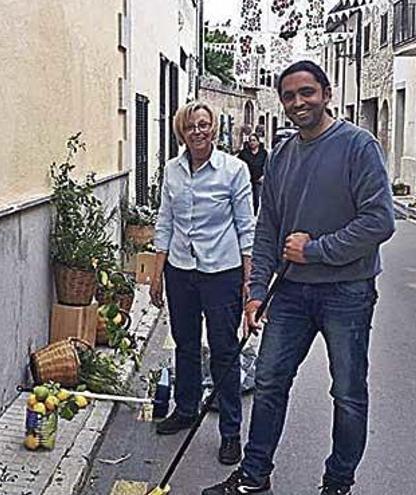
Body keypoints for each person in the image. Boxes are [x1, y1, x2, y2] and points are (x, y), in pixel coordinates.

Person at [203, 61, 395, 495]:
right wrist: (255, 296)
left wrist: (315, 250)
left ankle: (337, 484)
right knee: (269, 384)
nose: (297, 103)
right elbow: (268, 226)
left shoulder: (357, 146)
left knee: (347, 394)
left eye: (306, 92)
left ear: (326, 93)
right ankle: (254, 479)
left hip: (347, 292)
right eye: (289, 96)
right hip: (289, 294)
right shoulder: (284, 153)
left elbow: (380, 221)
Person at [150, 101, 256, 466]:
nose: (198, 132)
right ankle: (186, 409)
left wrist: (249, 279)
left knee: (225, 350)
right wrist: (156, 274)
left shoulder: (234, 170)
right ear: (182, 131)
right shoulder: (172, 171)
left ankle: (230, 432)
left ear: (213, 130)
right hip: (180, 270)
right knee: (186, 344)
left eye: (204, 125)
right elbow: (165, 220)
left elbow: (247, 226)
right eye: (191, 126)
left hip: (221, 272)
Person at [237, 133, 269, 214]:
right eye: (250, 141)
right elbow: (238, 165)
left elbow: (267, 165)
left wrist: (264, 175)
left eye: (254, 140)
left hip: (258, 180)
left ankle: (254, 213)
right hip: (247, 179)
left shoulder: (263, 153)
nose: (252, 142)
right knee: (246, 198)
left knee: (256, 199)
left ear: (258, 142)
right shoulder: (244, 153)